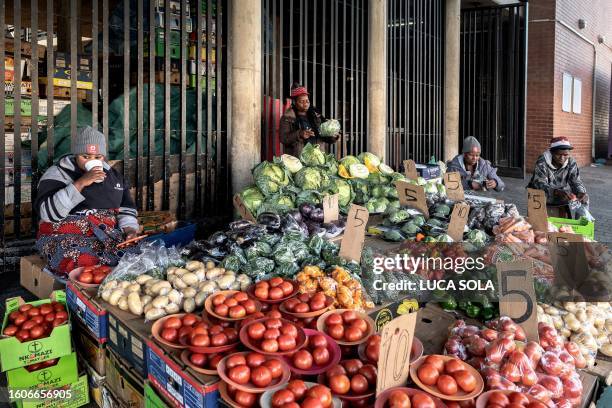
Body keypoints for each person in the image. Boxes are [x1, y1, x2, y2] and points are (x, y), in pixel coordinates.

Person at [34, 126, 141, 276]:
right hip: (62, 236)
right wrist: (81, 183)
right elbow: (47, 213)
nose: (92, 161)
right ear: (76, 154)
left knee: (135, 254)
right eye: (86, 156)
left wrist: (130, 230)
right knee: (79, 259)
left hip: (105, 234)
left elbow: (126, 209)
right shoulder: (57, 173)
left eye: (98, 157)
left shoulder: (114, 177)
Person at [527, 136, 589, 218]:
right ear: (552, 153)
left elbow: (576, 181)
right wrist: (556, 191)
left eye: (565, 155)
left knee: (585, 198)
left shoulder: (571, 162)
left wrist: (580, 192)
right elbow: (539, 184)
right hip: (541, 195)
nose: (562, 158)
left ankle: (581, 226)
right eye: (558, 154)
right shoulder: (542, 161)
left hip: (561, 194)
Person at [279, 83, 339, 157]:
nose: (305, 104)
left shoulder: (316, 116)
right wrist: (299, 134)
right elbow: (283, 138)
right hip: (299, 159)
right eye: (302, 101)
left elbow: (325, 137)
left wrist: (333, 136)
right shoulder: (287, 118)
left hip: (317, 158)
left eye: (307, 101)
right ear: (294, 102)